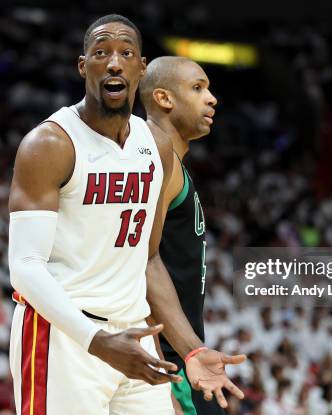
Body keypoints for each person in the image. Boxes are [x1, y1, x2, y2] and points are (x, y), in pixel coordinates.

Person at [7, 14, 244, 415]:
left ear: (140, 67)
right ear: (84, 67)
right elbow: (25, 267)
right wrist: (97, 341)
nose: (114, 62)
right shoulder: (50, 143)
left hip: (135, 336)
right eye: (101, 53)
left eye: (125, 53)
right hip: (66, 336)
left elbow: (148, 259)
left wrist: (192, 351)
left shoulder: (155, 146)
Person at [140, 56, 225, 414]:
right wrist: (166, 381)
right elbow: (139, 264)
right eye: (197, 87)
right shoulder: (157, 159)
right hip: (173, 361)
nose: (211, 98)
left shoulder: (171, 161)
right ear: (163, 98)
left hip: (185, 351)